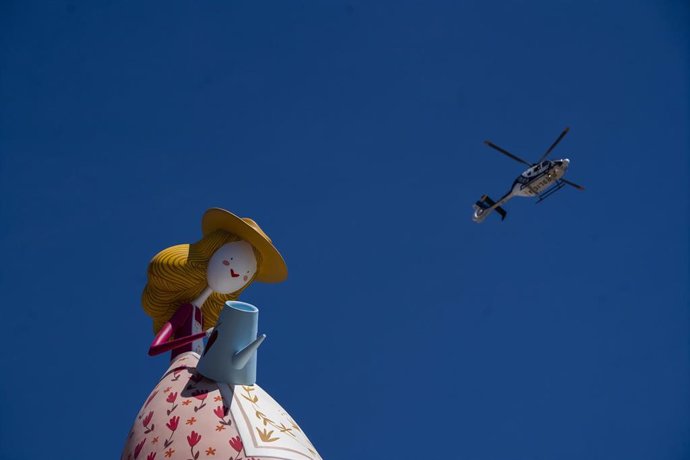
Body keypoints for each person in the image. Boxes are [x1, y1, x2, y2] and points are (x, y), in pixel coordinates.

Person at [122, 208, 320, 460]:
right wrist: (197, 339)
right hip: (186, 372)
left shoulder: (212, 317)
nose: (238, 274)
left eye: (246, 275)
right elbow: (156, 347)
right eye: (231, 262)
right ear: (211, 253)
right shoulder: (185, 311)